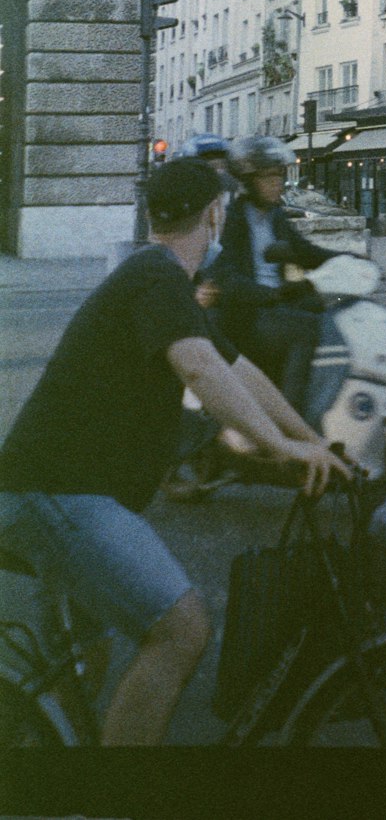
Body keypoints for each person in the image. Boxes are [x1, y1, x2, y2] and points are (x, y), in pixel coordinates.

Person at [0, 159, 347, 745]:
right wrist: (282, 448)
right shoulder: (155, 279)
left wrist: (316, 445)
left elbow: (244, 372)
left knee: (88, 662)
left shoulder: (162, 282)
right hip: (60, 494)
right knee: (182, 631)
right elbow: (200, 369)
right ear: (214, 214)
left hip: (66, 491)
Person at [209, 135, 335, 414]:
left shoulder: (275, 216)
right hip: (248, 314)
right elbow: (225, 276)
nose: (278, 183)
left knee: (331, 314)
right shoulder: (234, 220)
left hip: (275, 304)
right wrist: (269, 294)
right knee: (305, 330)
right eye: (269, 177)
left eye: (279, 175)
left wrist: (349, 260)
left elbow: (304, 251)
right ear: (250, 181)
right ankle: (288, 414)